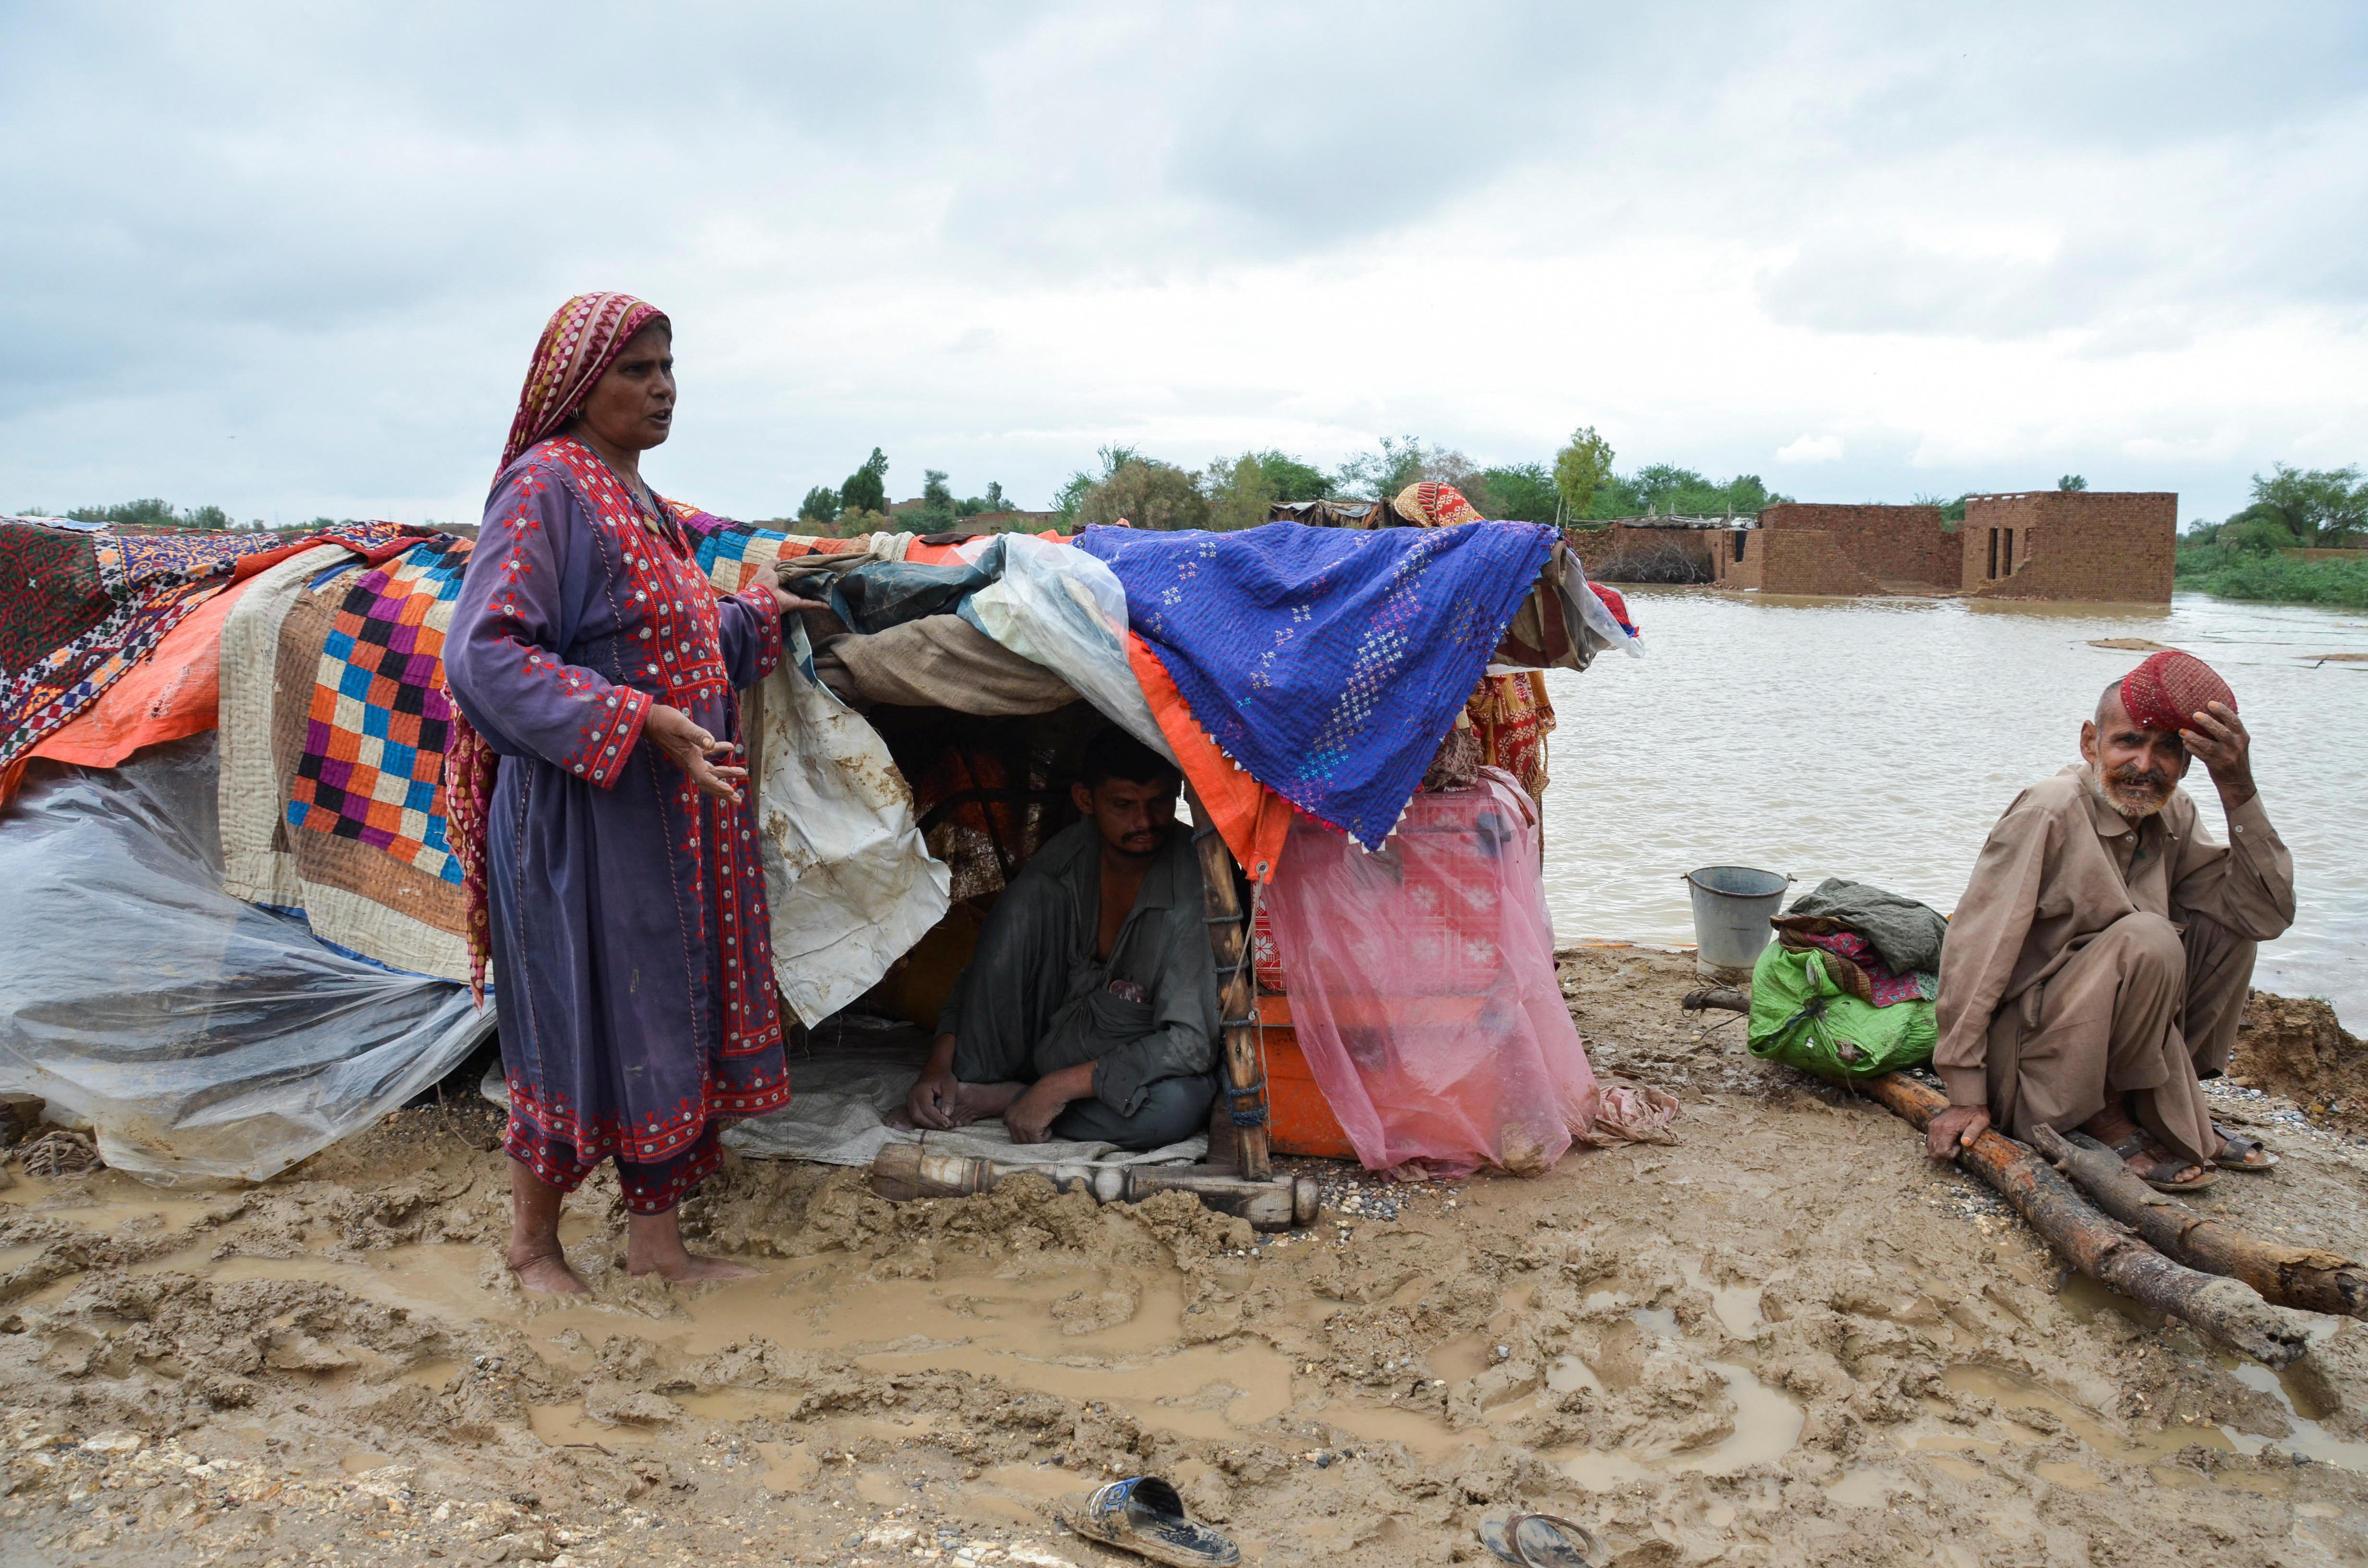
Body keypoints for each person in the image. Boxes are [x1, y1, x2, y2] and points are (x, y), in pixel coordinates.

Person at [444, 293, 812, 1293]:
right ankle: (533, 1248)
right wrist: (636, 720)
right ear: (577, 387)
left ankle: (658, 1251)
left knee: (662, 1015)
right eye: (636, 371)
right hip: (586, 820)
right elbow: (484, 658)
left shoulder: (636, 497)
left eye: (667, 366)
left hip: (670, 823)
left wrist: (753, 615)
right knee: (575, 1016)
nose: (662, 388)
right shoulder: (544, 489)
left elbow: (674, 641)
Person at [1928, 651, 2293, 1192]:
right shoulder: (2048, 809)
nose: (2144, 766)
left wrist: (2236, 785)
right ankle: (2103, 1116)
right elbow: (1974, 950)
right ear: (2089, 743)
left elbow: (2264, 913)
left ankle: (2166, 1102)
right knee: (2147, 938)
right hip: (2032, 1057)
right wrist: (1963, 1092)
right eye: (2128, 742)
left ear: (2187, 761)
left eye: (2166, 748)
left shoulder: (2172, 814)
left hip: (2108, 1033)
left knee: (2230, 927)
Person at [901, 728, 1220, 1149]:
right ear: (1086, 800)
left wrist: (1059, 1087)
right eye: (1124, 806)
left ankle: (1010, 1099)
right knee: (1023, 901)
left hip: (1121, 1065)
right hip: (1033, 1044)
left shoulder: (1195, 888)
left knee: (1176, 1107)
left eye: (1159, 802)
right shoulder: (1066, 856)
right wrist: (938, 1066)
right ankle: (979, 1085)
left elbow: (1192, 1044)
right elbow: (981, 975)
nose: (1144, 822)